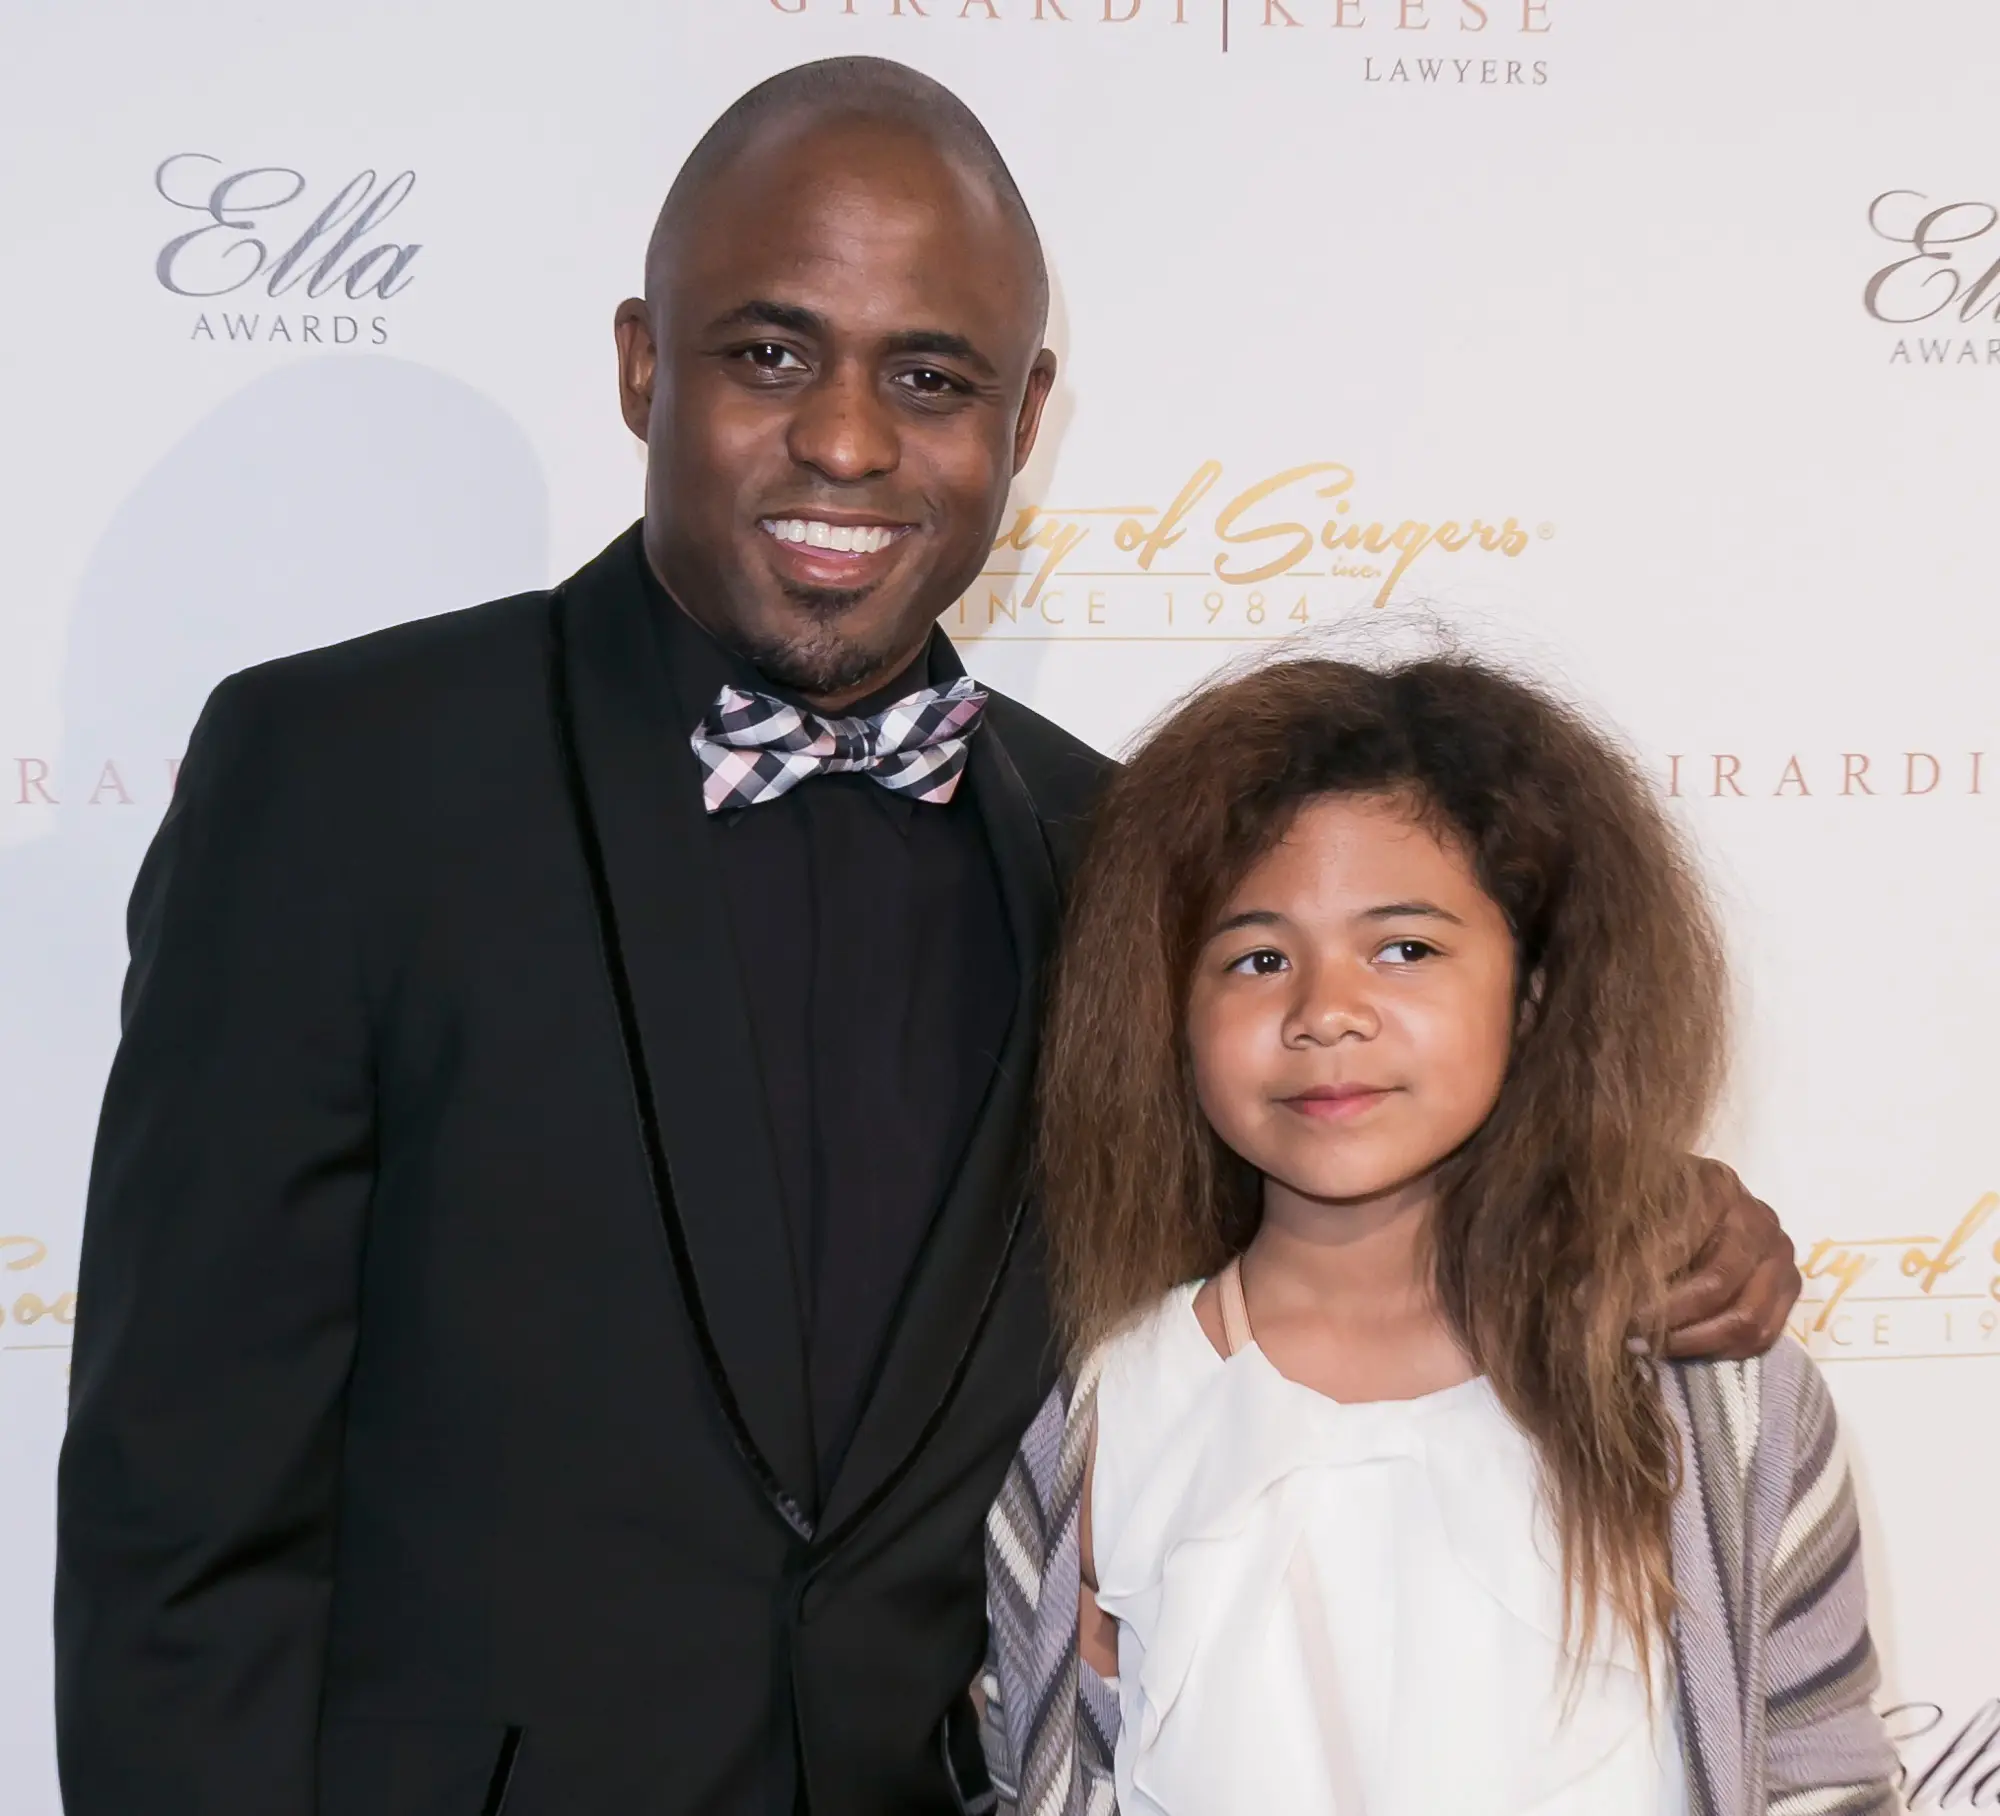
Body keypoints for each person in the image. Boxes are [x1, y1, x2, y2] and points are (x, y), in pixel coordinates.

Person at [54, 58, 1801, 1816]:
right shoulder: (347, 779)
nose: (847, 439)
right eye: (769, 353)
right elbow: (183, 1512)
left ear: (1025, 419)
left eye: (930, 378)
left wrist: (1643, 1209)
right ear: (641, 363)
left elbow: (1337, 1193)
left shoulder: (1130, 852)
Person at [981, 653, 1898, 1816]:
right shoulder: (1098, 1421)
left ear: (1530, 989)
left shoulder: (1712, 1397)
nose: (1324, 1012)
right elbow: (1048, 1780)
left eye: (1403, 947)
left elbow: (1821, 1771)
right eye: (1256, 958)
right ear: (1170, 1012)